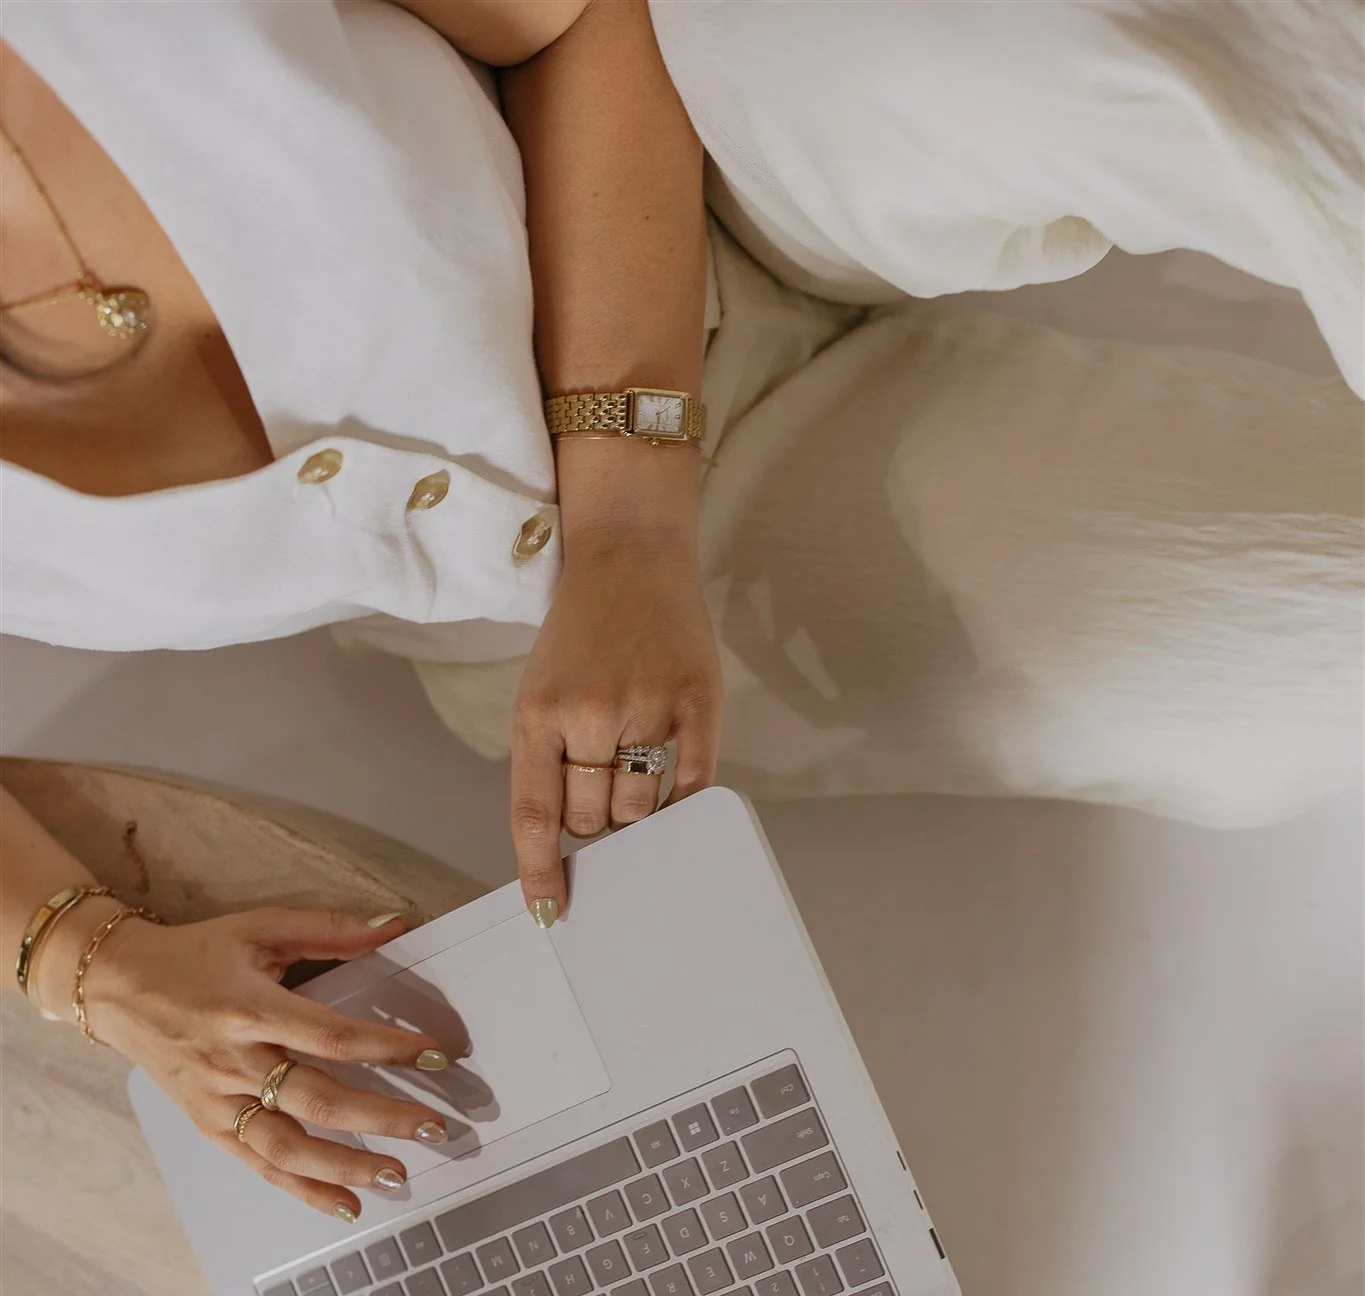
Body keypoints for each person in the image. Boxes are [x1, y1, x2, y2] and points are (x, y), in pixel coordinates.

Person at [3, 0, 1360, 1218]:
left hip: (724, 138)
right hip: (604, 631)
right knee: (1300, 666)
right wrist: (95, 968)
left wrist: (629, 524)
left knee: (1200, 39)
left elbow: (575, 21)